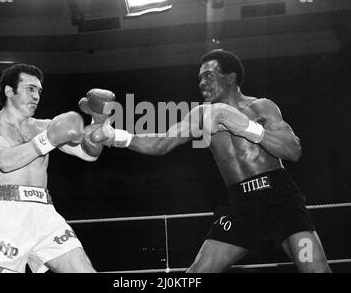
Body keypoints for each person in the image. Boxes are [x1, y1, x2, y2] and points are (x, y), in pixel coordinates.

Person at [87, 49, 332, 273]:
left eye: (208, 75)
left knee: (315, 269)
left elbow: (293, 150)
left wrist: (247, 128)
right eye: (200, 78)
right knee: (196, 274)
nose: (202, 83)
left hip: (281, 201)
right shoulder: (200, 116)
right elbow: (161, 143)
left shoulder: (262, 107)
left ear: (230, 77)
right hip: (241, 208)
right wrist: (117, 136)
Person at [0, 64, 113, 273]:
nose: (36, 96)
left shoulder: (44, 126)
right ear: (9, 91)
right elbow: (4, 161)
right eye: (30, 89)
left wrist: (98, 123)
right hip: (6, 211)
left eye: (39, 91)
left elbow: (89, 154)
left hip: (44, 212)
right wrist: (48, 139)